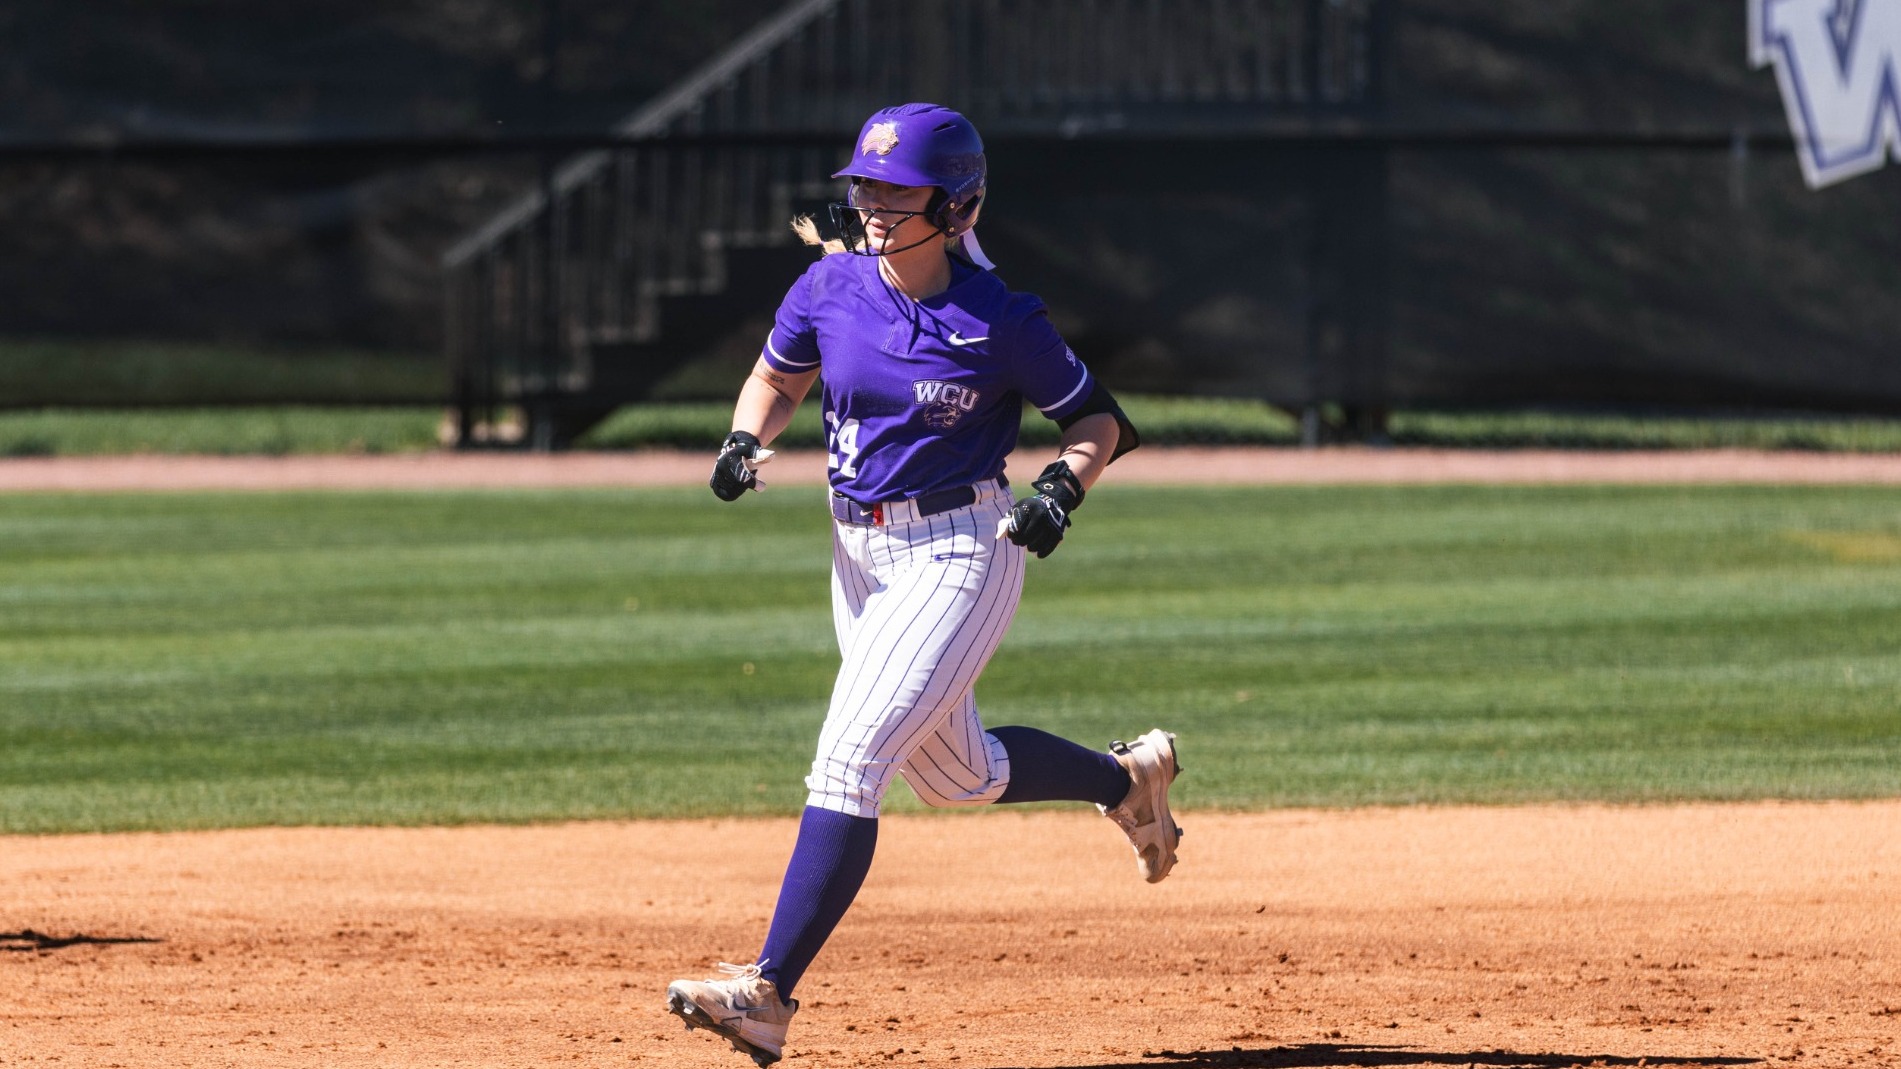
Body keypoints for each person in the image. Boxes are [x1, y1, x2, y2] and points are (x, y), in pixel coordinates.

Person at [664, 102, 1182, 1068]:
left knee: (848, 761)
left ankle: (766, 993)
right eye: (864, 186)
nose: (871, 205)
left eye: (896, 191)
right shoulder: (827, 285)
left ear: (955, 204)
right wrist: (746, 437)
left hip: (960, 548)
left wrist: (1059, 492)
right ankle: (1127, 779)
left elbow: (1097, 422)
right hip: (856, 552)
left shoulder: (999, 317)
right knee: (957, 775)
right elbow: (776, 379)